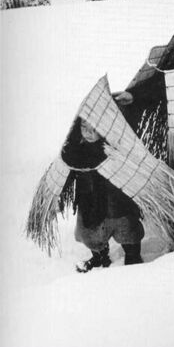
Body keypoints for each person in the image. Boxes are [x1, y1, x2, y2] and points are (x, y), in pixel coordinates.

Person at [61, 117, 144, 272]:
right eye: (84, 127)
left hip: (116, 200)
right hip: (90, 200)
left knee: (126, 228)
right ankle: (100, 257)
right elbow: (67, 157)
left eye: (95, 129)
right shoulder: (77, 150)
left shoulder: (113, 146)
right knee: (90, 231)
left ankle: (133, 255)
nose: (88, 132)